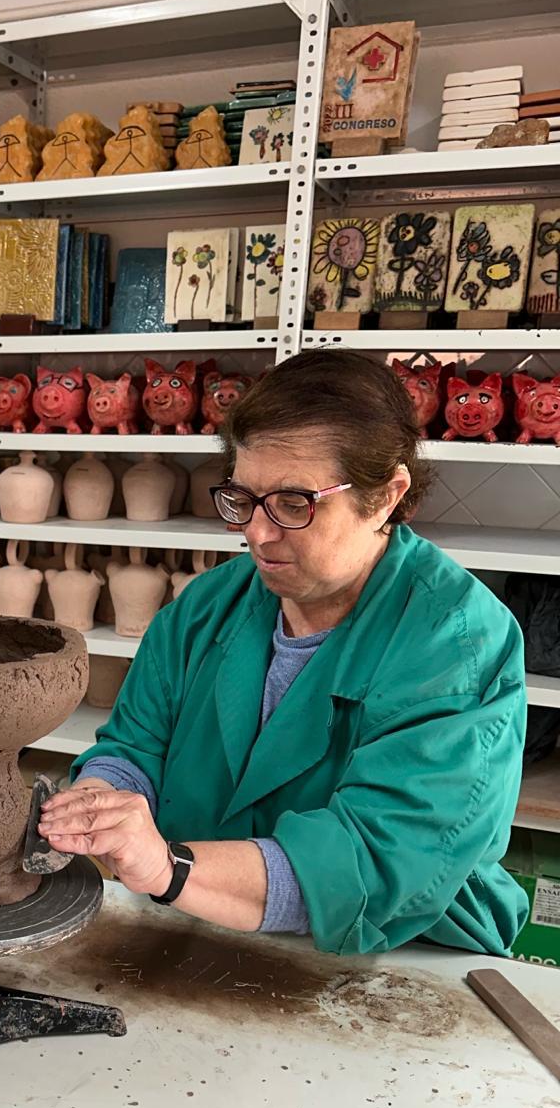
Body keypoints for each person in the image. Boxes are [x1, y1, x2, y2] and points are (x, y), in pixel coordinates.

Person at [39, 350, 527, 956]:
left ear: (386, 496)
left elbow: (373, 863)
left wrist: (168, 868)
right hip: (196, 918)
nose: (257, 533)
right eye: (243, 498)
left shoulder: (456, 644)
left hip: (394, 953)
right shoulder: (206, 607)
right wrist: (104, 799)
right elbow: (134, 746)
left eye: (295, 503)